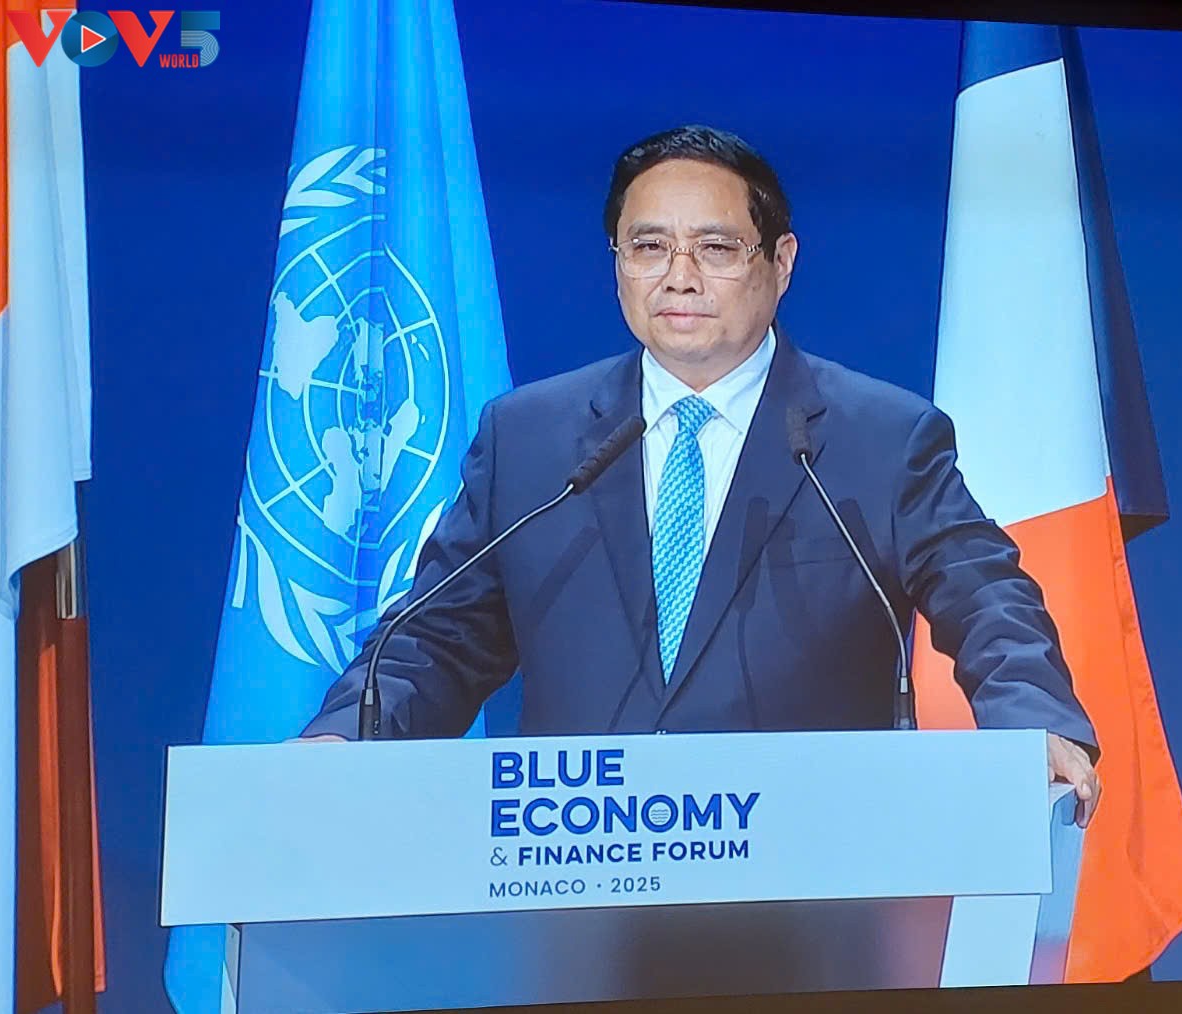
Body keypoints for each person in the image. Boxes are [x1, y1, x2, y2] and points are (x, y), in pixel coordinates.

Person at [301, 125, 1102, 824]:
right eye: (649, 247)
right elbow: (439, 636)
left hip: (813, 871)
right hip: (575, 869)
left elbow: (986, 595)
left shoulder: (881, 438)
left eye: (716, 249)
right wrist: (344, 738)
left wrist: (1031, 721)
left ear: (780, 262)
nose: (678, 276)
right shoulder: (529, 438)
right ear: (617, 262)